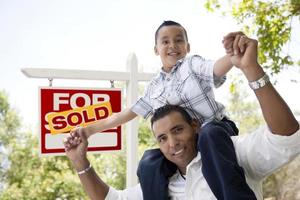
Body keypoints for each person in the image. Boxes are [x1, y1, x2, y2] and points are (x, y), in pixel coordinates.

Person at [64, 33, 300, 200]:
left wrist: (242, 62)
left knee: (211, 134)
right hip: (195, 140)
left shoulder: (232, 153)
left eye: (177, 130)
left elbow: (287, 139)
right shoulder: (155, 89)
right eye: (162, 138)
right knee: (148, 160)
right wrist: (83, 150)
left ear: (187, 46)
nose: (172, 142)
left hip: (216, 133)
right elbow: (125, 115)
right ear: (156, 49)